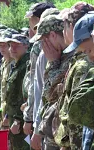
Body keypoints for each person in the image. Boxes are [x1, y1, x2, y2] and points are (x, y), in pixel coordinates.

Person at [30, 14, 74, 150]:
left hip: (66, 134)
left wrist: (54, 63)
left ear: (53, 35)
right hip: (54, 131)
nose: (42, 45)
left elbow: (50, 93)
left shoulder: (71, 57)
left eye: (44, 39)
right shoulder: (57, 55)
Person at [55, 13, 94, 150]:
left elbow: (76, 116)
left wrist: (68, 143)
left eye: (88, 50)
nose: (90, 57)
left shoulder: (85, 67)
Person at [22, 3, 56, 140]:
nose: (30, 23)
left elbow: (36, 84)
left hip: (43, 115)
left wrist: (29, 117)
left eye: (31, 18)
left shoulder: (40, 45)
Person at [3, 34, 30, 150]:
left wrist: (18, 120)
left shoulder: (26, 66)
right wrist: (7, 115)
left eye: (17, 45)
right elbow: (11, 95)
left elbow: (24, 96)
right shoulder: (17, 65)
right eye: (10, 45)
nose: (12, 49)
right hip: (13, 117)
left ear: (25, 46)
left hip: (21, 120)